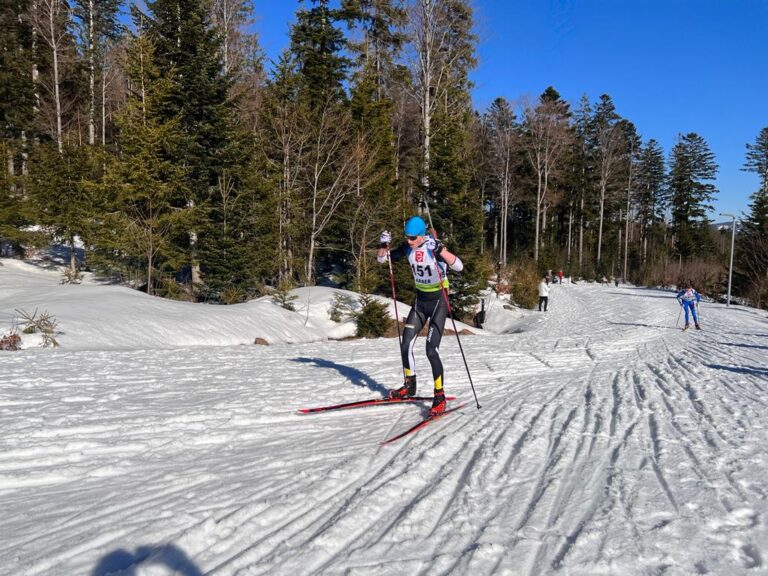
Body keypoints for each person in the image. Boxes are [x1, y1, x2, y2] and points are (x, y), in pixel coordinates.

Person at [377, 216, 464, 416]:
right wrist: (383, 244)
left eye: (412, 237)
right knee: (405, 343)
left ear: (421, 235)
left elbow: (459, 266)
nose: (408, 240)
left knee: (431, 350)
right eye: (406, 237)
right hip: (420, 300)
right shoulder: (408, 248)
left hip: (439, 301)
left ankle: (439, 396)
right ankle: (409, 385)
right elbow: (383, 258)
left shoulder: (433, 248)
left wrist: (441, 250)